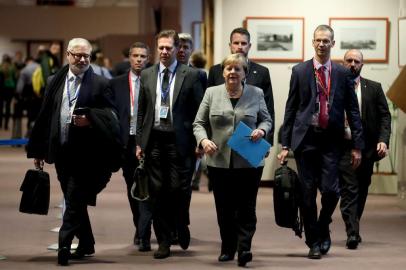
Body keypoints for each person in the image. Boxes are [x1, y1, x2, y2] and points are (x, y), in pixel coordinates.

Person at [26, 38, 121, 266]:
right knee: (74, 198)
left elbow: (112, 116)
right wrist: (39, 150)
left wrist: (90, 119)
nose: (81, 59)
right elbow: (46, 116)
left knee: (74, 199)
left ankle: (64, 245)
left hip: (87, 156)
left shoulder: (100, 84)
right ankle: (87, 243)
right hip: (61, 153)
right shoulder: (54, 81)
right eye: (77, 55)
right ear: (68, 55)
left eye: (86, 56)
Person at [277, 25, 364, 259]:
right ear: (312, 42)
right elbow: (291, 108)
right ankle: (313, 241)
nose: (322, 44)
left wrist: (357, 144)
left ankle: (322, 225)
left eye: (326, 41)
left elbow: (353, 111)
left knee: (331, 191)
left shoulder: (342, 73)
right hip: (305, 139)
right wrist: (285, 145)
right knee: (306, 194)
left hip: (332, 140)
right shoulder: (300, 71)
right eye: (318, 40)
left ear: (333, 44)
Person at [193, 53, 271, 267]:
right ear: (223, 71)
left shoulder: (256, 93)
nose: (233, 73)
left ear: (245, 73)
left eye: (238, 69)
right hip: (219, 162)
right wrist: (204, 141)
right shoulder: (211, 93)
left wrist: (262, 131)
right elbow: (198, 123)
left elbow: (267, 119)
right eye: (229, 68)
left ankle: (244, 248)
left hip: (249, 161)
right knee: (224, 207)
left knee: (247, 206)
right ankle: (227, 247)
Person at [135, 29, 204, 259]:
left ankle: (180, 224)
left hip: (180, 141)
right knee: (157, 192)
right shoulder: (147, 74)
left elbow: (199, 112)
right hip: (154, 140)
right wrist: (139, 142)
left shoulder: (192, 75)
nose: (164, 52)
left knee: (179, 189)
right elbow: (141, 111)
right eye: (161, 48)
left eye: (169, 48)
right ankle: (164, 241)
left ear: (177, 49)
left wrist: (200, 142)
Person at [339, 49, 391, 249]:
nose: (353, 64)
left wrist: (383, 140)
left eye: (357, 61)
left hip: (368, 148)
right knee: (349, 189)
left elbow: (385, 117)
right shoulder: (335, 87)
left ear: (362, 64)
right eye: (349, 60)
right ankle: (352, 233)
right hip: (343, 146)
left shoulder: (374, 88)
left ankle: (354, 224)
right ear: (343, 63)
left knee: (361, 189)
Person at [110, 42, 152, 252]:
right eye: (135, 56)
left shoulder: (155, 80)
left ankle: (145, 233)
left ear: (148, 58)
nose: (139, 60)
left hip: (151, 143)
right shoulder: (116, 83)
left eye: (143, 56)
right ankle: (140, 226)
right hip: (127, 144)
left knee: (150, 188)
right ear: (129, 58)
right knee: (132, 188)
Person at [207, 27, 274, 144]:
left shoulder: (262, 72)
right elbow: (207, 109)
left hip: (252, 138)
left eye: (243, 43)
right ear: (230, 45)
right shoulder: (215, 70)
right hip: (221, 139)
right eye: (236, 43)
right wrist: (206, 140)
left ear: (249, 46)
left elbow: (268, 109)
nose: (239, 46)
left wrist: (266, 141)